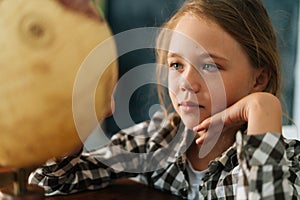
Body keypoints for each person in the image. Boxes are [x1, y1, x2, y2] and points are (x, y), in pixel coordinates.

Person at [29, 0, 300, 199]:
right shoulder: (156, 140)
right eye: (177, 66)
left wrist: (263, 108)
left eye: (210, 67)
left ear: (258, 79)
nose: (187, 84)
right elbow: (52, 181)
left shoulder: (289, 160)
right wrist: (77, 122)